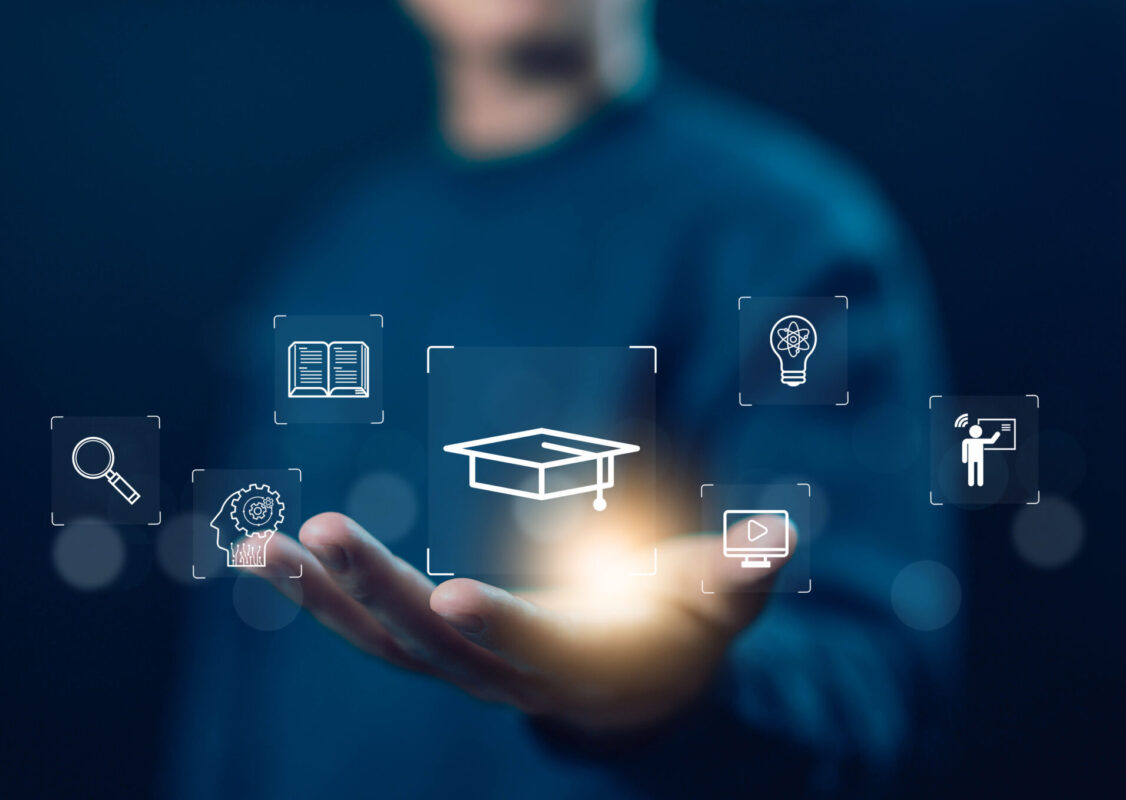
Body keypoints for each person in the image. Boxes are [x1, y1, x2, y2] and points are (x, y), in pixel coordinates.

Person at [167, 1, 959, 796]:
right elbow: (238, 659)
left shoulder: (791, 237)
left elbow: (868, 680)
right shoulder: (338, 245)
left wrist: (679, 689)